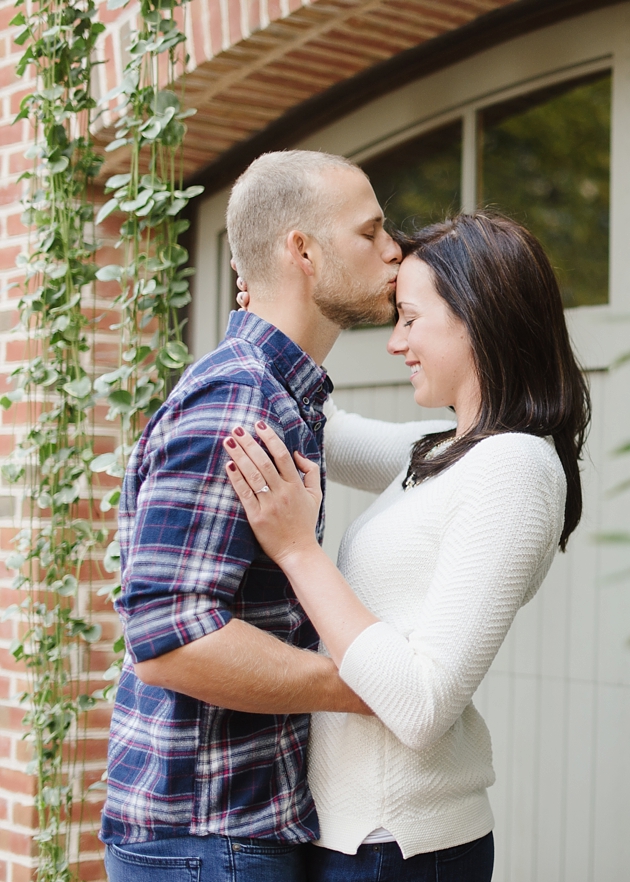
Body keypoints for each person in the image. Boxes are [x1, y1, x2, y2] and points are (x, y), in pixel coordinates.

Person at [220, 212, 590, 882]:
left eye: (410, 319)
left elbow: (422, 703)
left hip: (399, 847)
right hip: (355, 836)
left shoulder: (514, 470)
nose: (395, 343)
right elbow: (322, 425)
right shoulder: (442, 452)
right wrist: (277, 310)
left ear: (477, 319)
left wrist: (298, 552)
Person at [101, 150, 412, 882]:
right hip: (209, 837)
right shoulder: (239, 401)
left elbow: (408, 450)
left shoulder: (280, 394)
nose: (395, 249)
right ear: (302, 250)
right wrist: (360, 684)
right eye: (371, 233)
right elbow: (168, 638)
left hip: (224, 829)